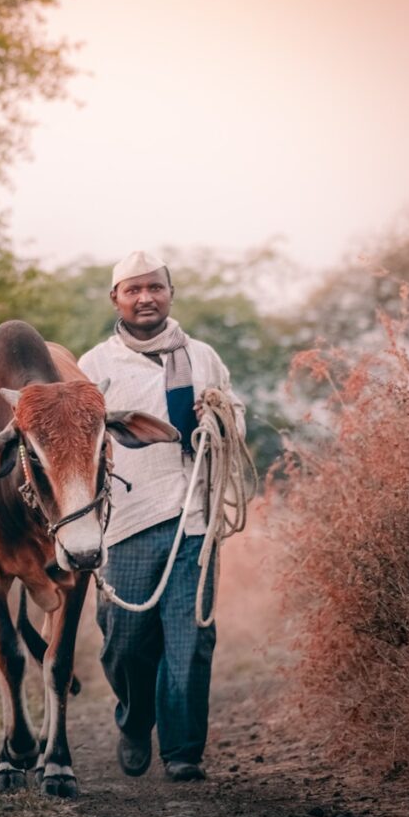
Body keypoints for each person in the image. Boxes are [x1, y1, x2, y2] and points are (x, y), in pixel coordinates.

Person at [78, 250, 246, 782]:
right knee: (123, 640)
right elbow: (76, 443)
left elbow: (235, 414)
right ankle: (135, 719)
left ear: (170, 294)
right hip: (126, 520)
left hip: (195, 516)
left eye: (155, 288)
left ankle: (182, 753)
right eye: (134, 289)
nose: (146, 297)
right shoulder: (94, 366)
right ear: (116, 299)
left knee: (191, 639)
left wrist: (219, 416)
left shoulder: (202, 356)